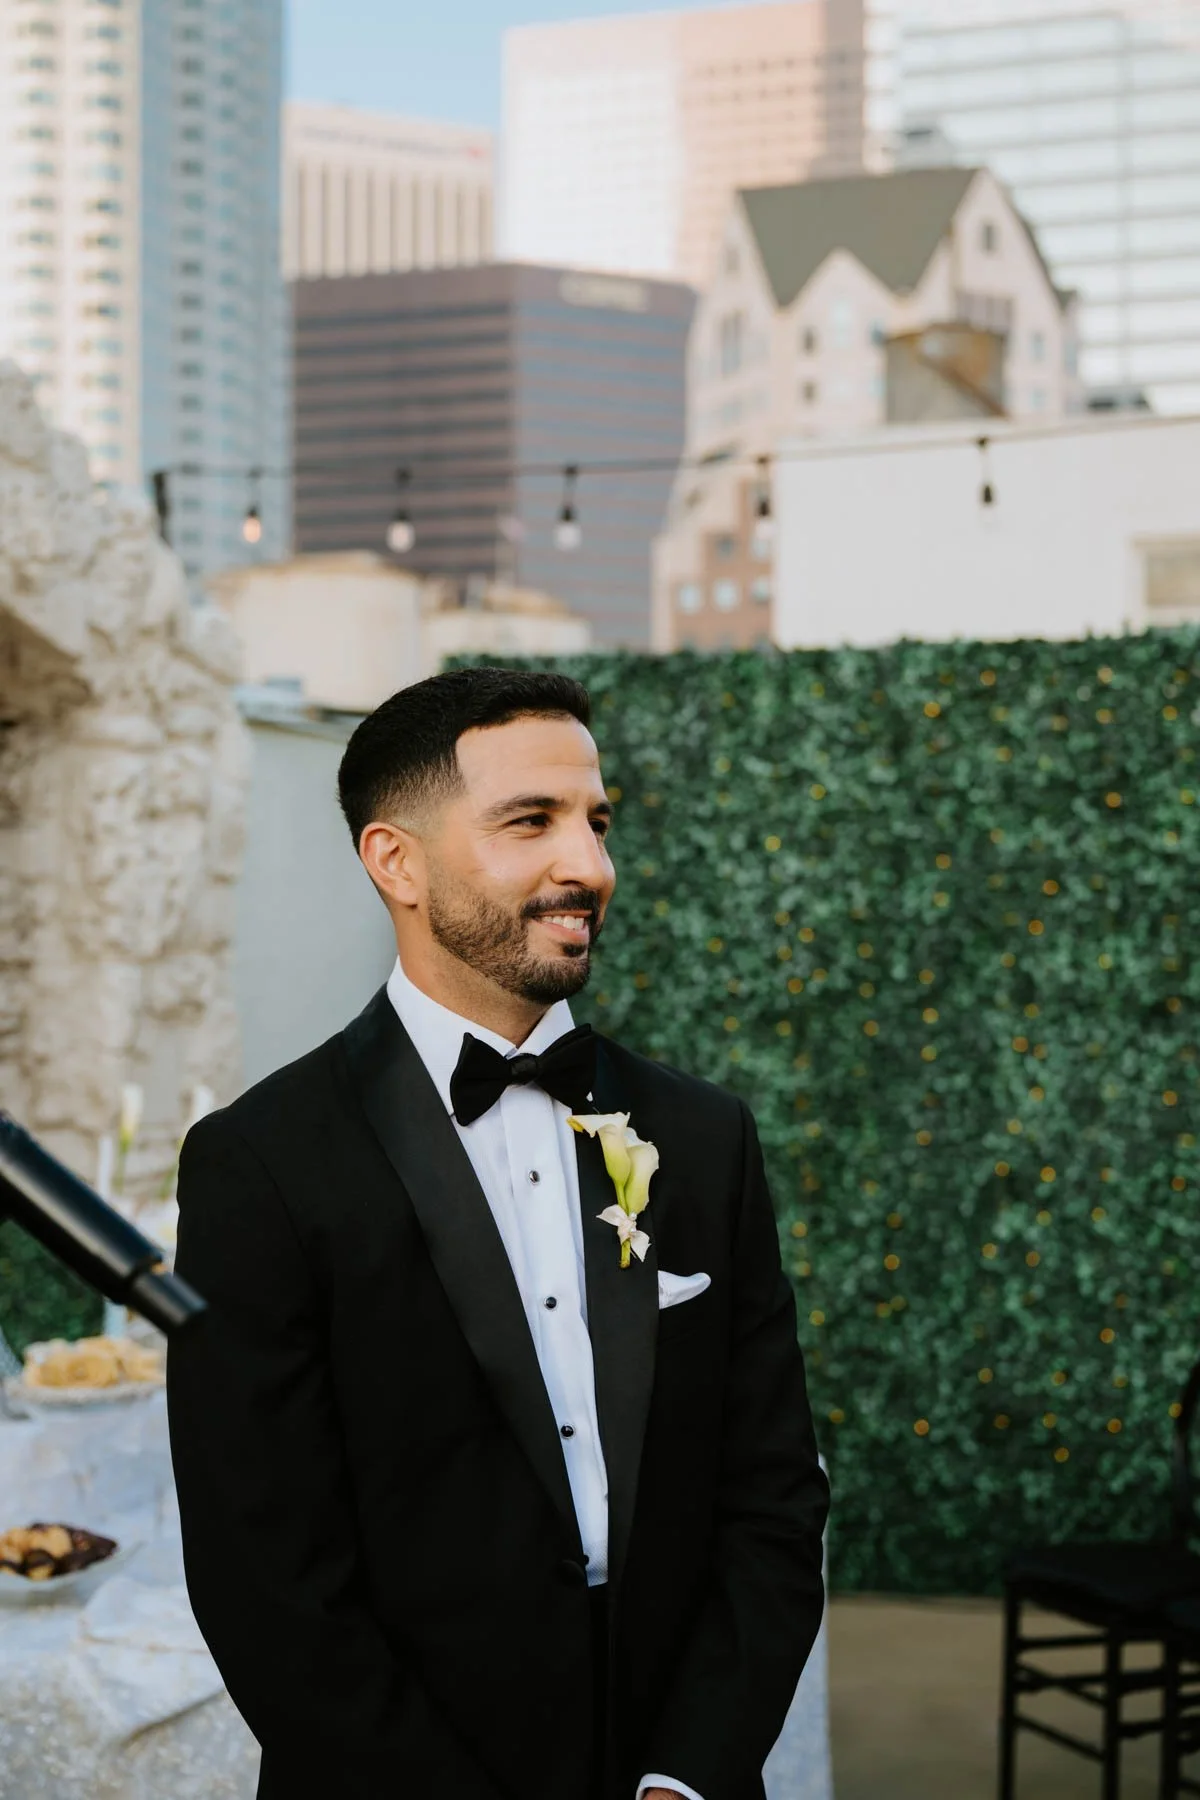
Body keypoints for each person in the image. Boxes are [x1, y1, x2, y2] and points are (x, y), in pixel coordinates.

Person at [167, 666, 830, 1800]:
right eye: (532, 821)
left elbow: (773, 1494)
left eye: (598, 821)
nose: (591, 865)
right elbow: (265, 1580)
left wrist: (688, 1774)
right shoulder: (261, 1164)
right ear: (398, 863)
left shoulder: (704, 1136)